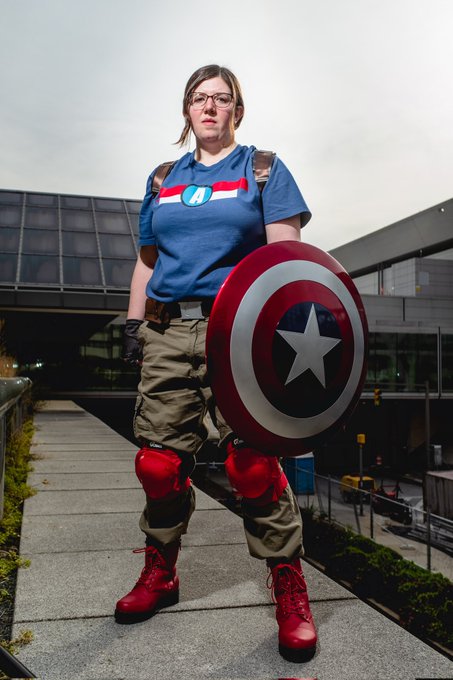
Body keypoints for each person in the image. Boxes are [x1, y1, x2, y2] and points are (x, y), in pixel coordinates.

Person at [115, 64, 317, 662]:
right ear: (186, 109)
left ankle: (289, 588)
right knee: (158, 464)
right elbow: (148, 262)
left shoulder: (263, 169)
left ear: (237, 110)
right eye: (199, 98)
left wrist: (278, 332)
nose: (209, 107)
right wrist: (134, 324)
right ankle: (161, 573)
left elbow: (285, 258)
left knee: (252, 465)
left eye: (221, 99)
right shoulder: (163, 178)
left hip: (238, 332)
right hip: (168, 329)